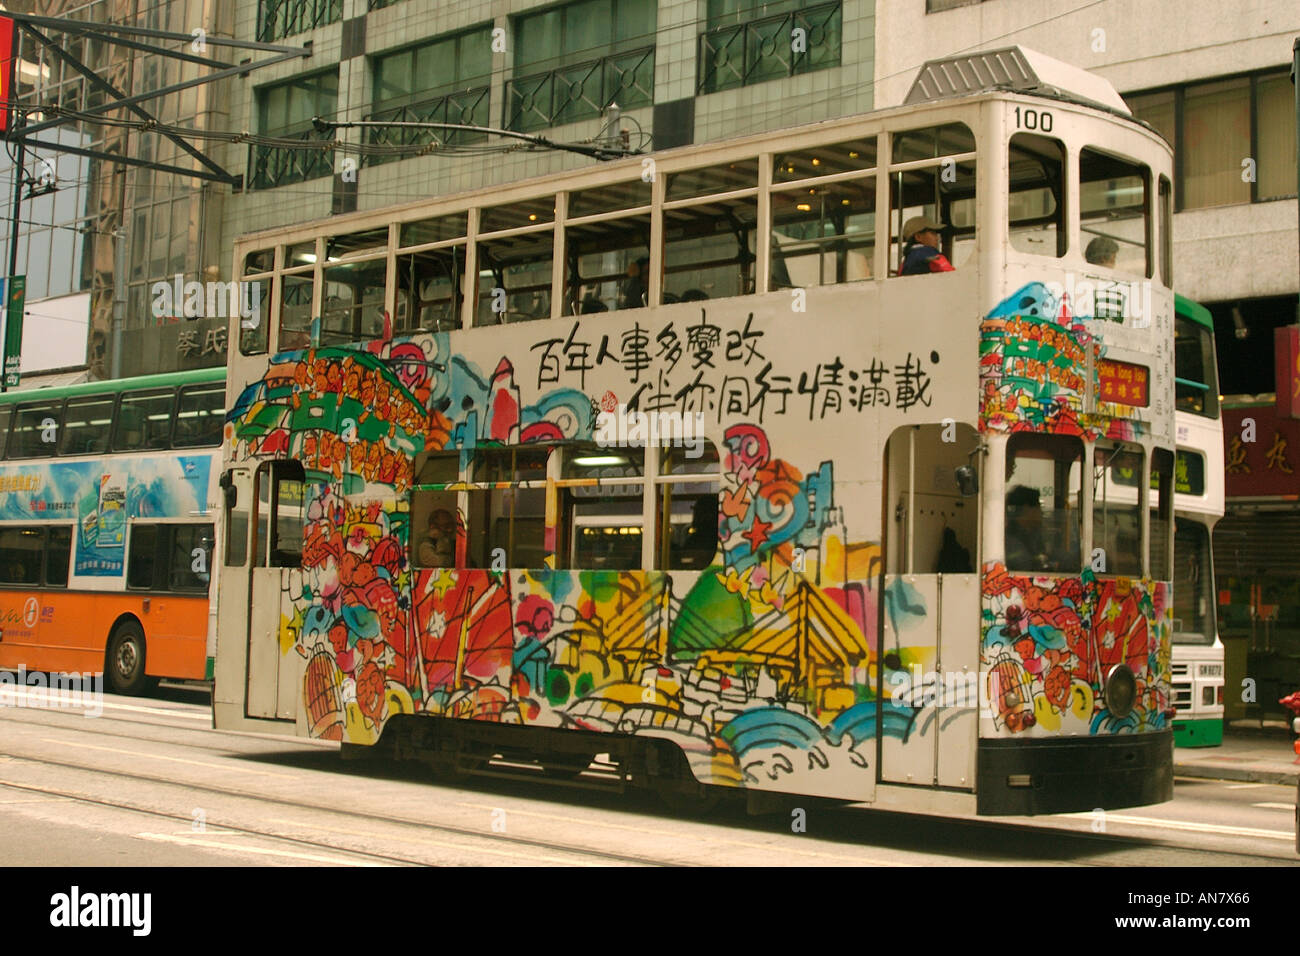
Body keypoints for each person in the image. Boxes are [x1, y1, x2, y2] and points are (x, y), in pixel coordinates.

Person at [1004, 485, 1048, 571]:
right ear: (1027, 508)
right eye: (1038, 506)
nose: (1041, 512)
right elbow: (1025, 567)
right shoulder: (1012, 542)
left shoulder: (1033, 535)